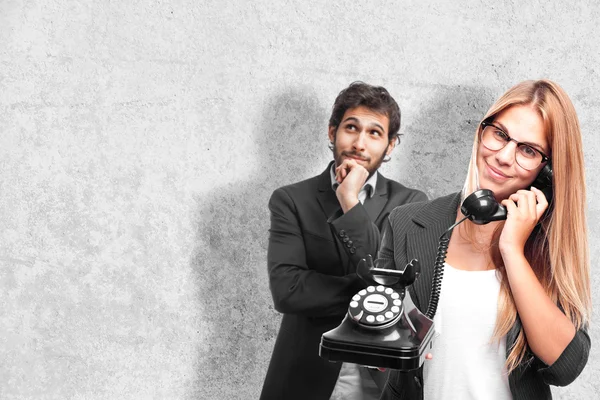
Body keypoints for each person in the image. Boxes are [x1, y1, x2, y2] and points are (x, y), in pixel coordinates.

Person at [378, 80, 591, 400]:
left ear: (547, 173)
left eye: (528, 150)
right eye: (500, 134)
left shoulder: (549, 247)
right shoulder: (406, 222)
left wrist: (512, 251)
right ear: (482, 131)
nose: (504, 156)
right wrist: (380, 340)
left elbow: (565, 367)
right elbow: (375, 335)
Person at [259, 82, 428, 400]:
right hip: (304, 375)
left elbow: (400, 284)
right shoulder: (292, 200)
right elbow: (288, 291)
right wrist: (375, 294)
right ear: (332, 132)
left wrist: (349, 200)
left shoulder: (411, 203)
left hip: (381, 379)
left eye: (375, 133)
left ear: (390, 146)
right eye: (351, 128)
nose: (359, 143)